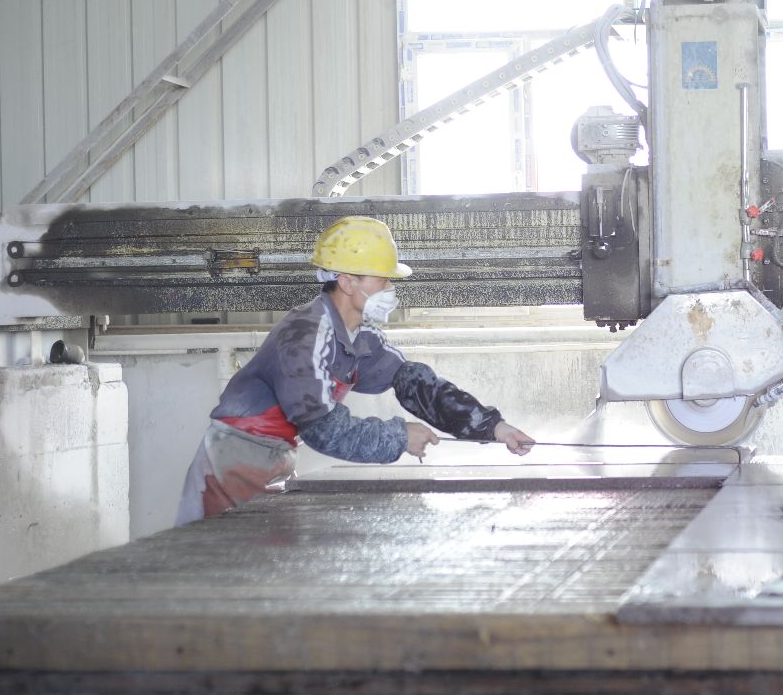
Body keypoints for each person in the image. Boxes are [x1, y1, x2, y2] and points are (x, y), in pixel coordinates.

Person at [175, 215, 533, 525]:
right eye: (383, 279)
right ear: (348, 282)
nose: (390, 288)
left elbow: (414, 383)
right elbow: (323, 429)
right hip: (232, 463)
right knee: (219, 566)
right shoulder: (305, 335)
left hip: (273, 458)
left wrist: (492, 426)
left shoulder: (359, 337)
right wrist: (398, 437)